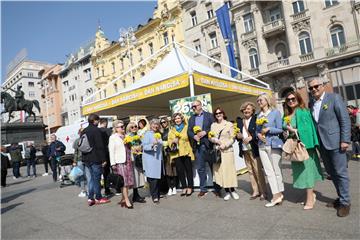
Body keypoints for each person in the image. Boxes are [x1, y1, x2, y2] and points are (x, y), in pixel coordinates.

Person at [308, 77, 351, 217]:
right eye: (311, 88)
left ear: (323, 86)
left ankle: (345, 203)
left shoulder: (334, 98)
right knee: (332, 173)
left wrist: (345, 140)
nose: (314, 89)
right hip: (322, 144)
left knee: (340, 172)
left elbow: (344, 119)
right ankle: (341, 198)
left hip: (336, 142)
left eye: (316, 86)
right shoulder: (311, 103)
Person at [283, 91, 324, 210]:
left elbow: (307, 128)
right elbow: (284, 126)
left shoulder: (303, 111)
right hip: (294, 147)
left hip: (305, 146)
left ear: (298, 99)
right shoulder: (287, 114)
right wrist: (287, 130)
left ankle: (310, 198)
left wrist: (294, 129)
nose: (291, 101)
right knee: (301, 172)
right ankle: (311, 195)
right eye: (288, 100)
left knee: (307, 172)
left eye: (293, 99)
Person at [256, 93, 284, 207]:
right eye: (257, 101)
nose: (259, 102)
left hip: (273, 144)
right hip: (262, 145)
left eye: (260, 100)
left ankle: (279, 194)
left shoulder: (275, 113)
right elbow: (257, 130)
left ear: (267, 101)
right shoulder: (258, 115)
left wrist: (268, 129)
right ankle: (276, 195)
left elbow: (280, 129)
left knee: (276, 170)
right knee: (268, 171)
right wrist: (258, 135)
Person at [188, 100, 220, 198]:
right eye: (192, 107)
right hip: (198, 148)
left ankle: (217, 188)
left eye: (195, 106)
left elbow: (214, 127)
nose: (193, 108)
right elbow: (189, 130)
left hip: (209, 146)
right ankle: (203, 189)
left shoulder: (209, 116)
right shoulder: (191, 118)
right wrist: (194, 136)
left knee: (214, 168)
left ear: (200, 105)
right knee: (201, 169)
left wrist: (205, 132)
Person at [236, 102, 267, 200]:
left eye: (248, 109)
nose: (246, 110)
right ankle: (255, 191)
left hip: (253, 148)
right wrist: (238, 136)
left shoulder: (256, 119)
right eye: (244, 109)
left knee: (258, 171)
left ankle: (263, 192)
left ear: (252, 110)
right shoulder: (240, 121)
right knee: (250, 171)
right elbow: (238, 134)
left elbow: (258, 132)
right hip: (244, 149)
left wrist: (251, 137)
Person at [209, 107, 239, 201]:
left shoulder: (229, 124)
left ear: (223, 113)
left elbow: (232, 138)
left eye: (220, 113)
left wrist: (225, 145)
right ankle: (226, 191)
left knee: (229, 171)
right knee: (221, 172)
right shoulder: (213, 125)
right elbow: (210, 137)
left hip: (227, 150)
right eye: (216, 113)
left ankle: (233, 190)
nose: (218, 114)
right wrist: (215, 140)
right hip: (218, 151)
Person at [82, 114, 111, 206]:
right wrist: (103, 159)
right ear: (94, 120)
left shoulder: (84, 131)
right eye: (97, 120)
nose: (98, 122)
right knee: (96, 179)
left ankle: (90, 198)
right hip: (95, 158)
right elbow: (100, 146)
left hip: (86, 158)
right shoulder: (96, 131)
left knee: (90, 179)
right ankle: (98, 198)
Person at [109, 120, 135, 209]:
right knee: (124, 182)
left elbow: (130, 148)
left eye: (123, 126)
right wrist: (113, 163)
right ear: (116, 129)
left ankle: (123, 198)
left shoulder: (126, 136)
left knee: (127, 181)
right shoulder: (113, 137)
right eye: (120, 126)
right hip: (120, 162)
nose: (123, 127)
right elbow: (111, 151)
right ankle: (127, 200)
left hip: (128, 161)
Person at [168, 113, 194, 196]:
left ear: (182, 119)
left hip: (186, 151)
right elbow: (169, 140)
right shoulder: (172, 129)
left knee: (188, 170)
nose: (177, 120)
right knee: (180, 171)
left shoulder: (186, 127)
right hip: (177, 153)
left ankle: (190, 187)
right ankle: (184, 187)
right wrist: (173, 141)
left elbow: (188, 137)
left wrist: (180, 138)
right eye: (175, 119)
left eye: (178, 118)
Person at [142, 119, 163, 204]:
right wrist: (152, 145)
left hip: (158, 159)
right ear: (150, 125)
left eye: (157, 124)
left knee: (157, 179)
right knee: (152, 179)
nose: (155, 126)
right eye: (154, 124)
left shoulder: (158, 134)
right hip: (150, 160)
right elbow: (144, 147)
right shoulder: (147, 134)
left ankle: (157, 194)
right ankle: (154, 196)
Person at [126, 121, 146, 203]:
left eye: (135, 126)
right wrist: (133, 148)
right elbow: (127, 148)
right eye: (132, 127)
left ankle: (136, 194)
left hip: (138, 157)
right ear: (129, 128)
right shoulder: (127, 137)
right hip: (132, 159)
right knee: (134, 176)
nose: (134, 128)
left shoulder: (138, 136)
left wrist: (140, 147)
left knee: (138, 176)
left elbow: (142, 144)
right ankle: (135, 195)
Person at [160, 116, 177, 196]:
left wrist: (168, 143)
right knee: (167, 171)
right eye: (162, 123)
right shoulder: (161, 132)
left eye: (164, 122)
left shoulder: (171, 130)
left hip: (171, 152)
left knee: (173, 170)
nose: (163, 124)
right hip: (164, 153)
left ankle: (174, 187)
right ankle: (170, 187)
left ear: (167, 122)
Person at [99, 118, 112, 197]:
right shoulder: (109, 131)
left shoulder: (98, 131)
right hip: (109, 152)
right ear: (106, 123)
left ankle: (107, 189)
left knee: (105, 172)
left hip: (102, 154)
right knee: (113, 170)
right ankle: (116, 187)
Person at [73, 128, 87, 197]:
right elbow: (76, 152)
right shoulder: (78, 141)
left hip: (80, 160)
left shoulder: (77, 140)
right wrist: (75, 161)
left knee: (82, 176)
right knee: (86, 175)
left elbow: (75, 152)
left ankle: (83, 191)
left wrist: (74, 161)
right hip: (83, 160)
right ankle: (85, 190)